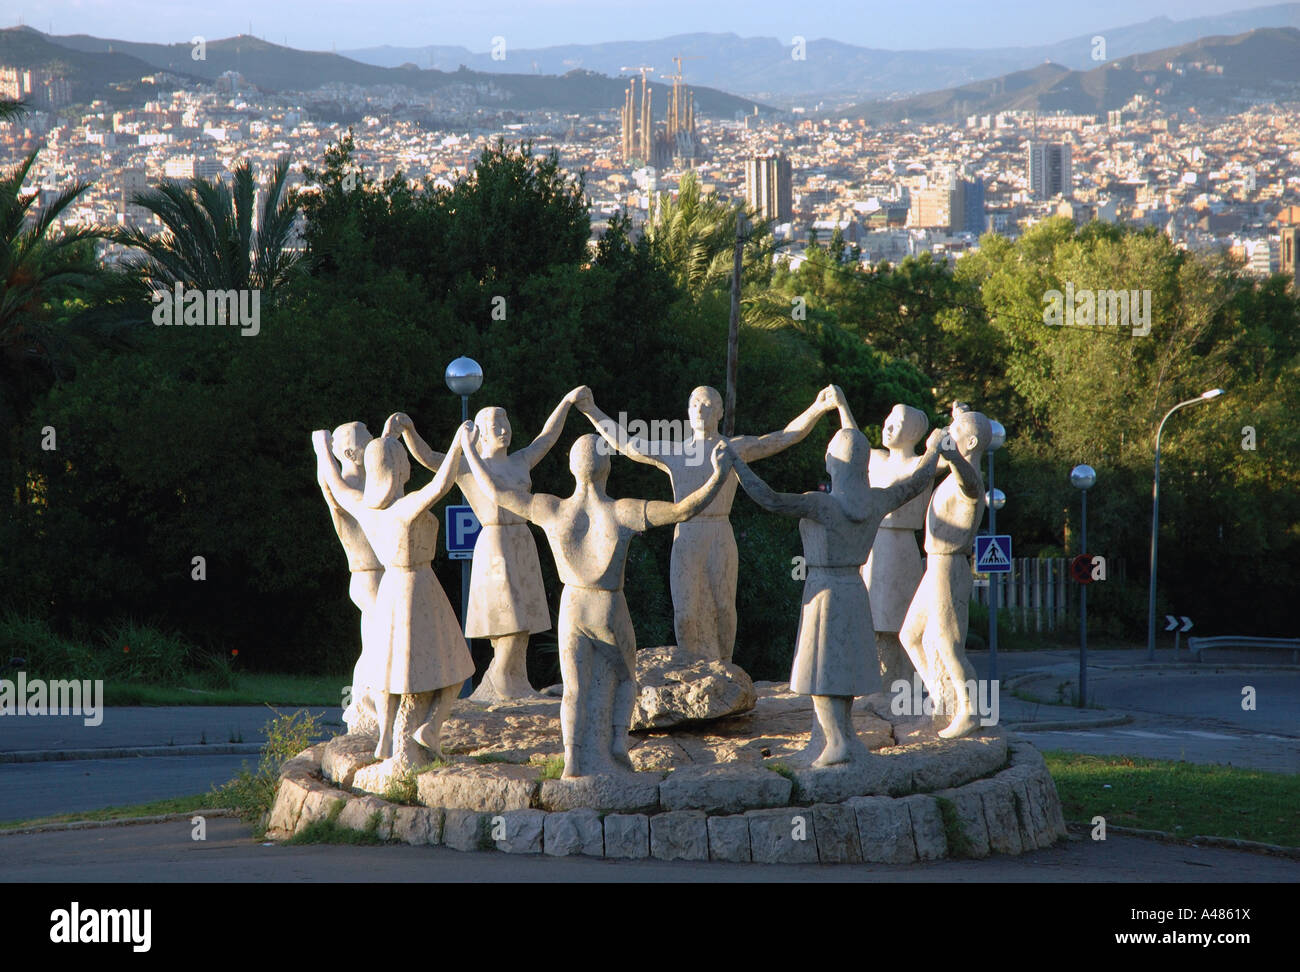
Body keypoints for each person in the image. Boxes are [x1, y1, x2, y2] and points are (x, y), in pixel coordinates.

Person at [461, 428, 736, 778]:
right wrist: (718, 475)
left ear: (572, 469)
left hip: (573, 606)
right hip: (608, 606)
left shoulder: (551, 508)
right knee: (625, 679)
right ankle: (617, 743)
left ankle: (574, 760)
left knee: (573, 689)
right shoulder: (622, 511)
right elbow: (683, 509)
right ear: (606, 469)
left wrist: (470, 449)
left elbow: (495, 491)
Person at [730, 388, 944, 766]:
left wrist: (736, 462)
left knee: (822, 672)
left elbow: (769, 498)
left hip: (825, 589)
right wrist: (934, 452)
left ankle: (836, 741)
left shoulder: (820, 503)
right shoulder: (877, 500)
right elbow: (913, 484)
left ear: (833, 464)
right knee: (845, 669)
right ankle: (844, 737)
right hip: (855, 589)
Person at [575, 385, 839, 665]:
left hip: (719, 533)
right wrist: (591, 409)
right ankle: (691, 667)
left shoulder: (732, 448)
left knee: (724, 608)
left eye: (708, 404)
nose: (701, 409)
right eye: (695, 404)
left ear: (720, 412)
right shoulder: (674, 452)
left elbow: (784, 437)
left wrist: (817, 407)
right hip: (687, 534)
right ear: (688, 411)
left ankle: (724, 666)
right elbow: (627, 445)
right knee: (685, 613)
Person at [390, 388, 584, 702]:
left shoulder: (520, 461)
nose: (504, 431)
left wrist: (565, 403)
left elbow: (547, 438)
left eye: (505, 424)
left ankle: (515, 680)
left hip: (522, 540)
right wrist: (410, 432)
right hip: (495, 545)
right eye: (496, 426)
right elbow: (430, 460)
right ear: (480, 433)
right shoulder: (468, 465)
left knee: (523, 621)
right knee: (506, 617)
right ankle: (504, 681)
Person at [312, 425, 475, 765]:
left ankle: (386, 736)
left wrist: (321, 447)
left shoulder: (364, 506)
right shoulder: (406, 507)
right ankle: (429, 726)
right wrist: (458, 441)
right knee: (456, 664)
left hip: (389, 589)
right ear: (401, 468)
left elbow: (332, 480)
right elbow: (442, 484)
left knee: (388, 669)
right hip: (419, 587)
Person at [899, 408, 993, 739]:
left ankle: (971, 711)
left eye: (956, 430)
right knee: (910, 635)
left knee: (950, 647)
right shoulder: (952, 472)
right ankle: (942, 697)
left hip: (949, 566)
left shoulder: (971, 481)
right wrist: (960, 415)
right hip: (935, 563)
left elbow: (968, 480)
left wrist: (951, 451)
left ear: (969, 442)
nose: (948, 432)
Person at [316, 421, 383, 733]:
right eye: (367, 438)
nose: (373, 442)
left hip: (378, 574)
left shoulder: (367, 484)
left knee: (375, 642)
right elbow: (326, 481)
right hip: (368, 576)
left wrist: (390, 436)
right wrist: (321, 447)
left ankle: (365, 706)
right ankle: (365, 708)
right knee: (380, 643)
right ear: (349, 452)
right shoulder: (346, 487)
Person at [862, 405, 934, 687]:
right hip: (872, 549)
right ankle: (877, 686)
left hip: (900, 550)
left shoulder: (920, 464)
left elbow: (953, 452)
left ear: (914, 432)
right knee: (871, 621)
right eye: (888, 419)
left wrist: (959, 423)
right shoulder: (877, 459)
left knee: (899, 623)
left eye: (898, 422)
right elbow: (851, 439)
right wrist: (840, 405)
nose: (888, 426)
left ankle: (901, 687)